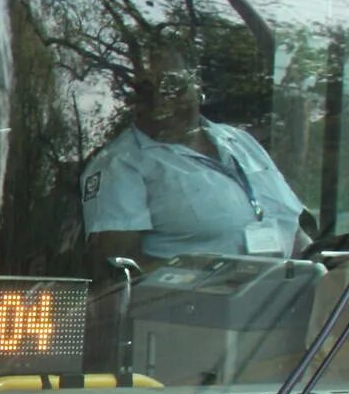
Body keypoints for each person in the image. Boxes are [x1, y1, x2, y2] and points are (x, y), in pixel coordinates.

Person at [84, 38, 304, 274]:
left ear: (196, 85)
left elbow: (295, 229)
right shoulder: (119, 164)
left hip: (294, 297)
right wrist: (213, 276)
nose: (161, 100)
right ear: (131, 99)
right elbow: (120, 274)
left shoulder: (241, 142)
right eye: (147, 91)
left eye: (172, 85)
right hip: (200, 306)